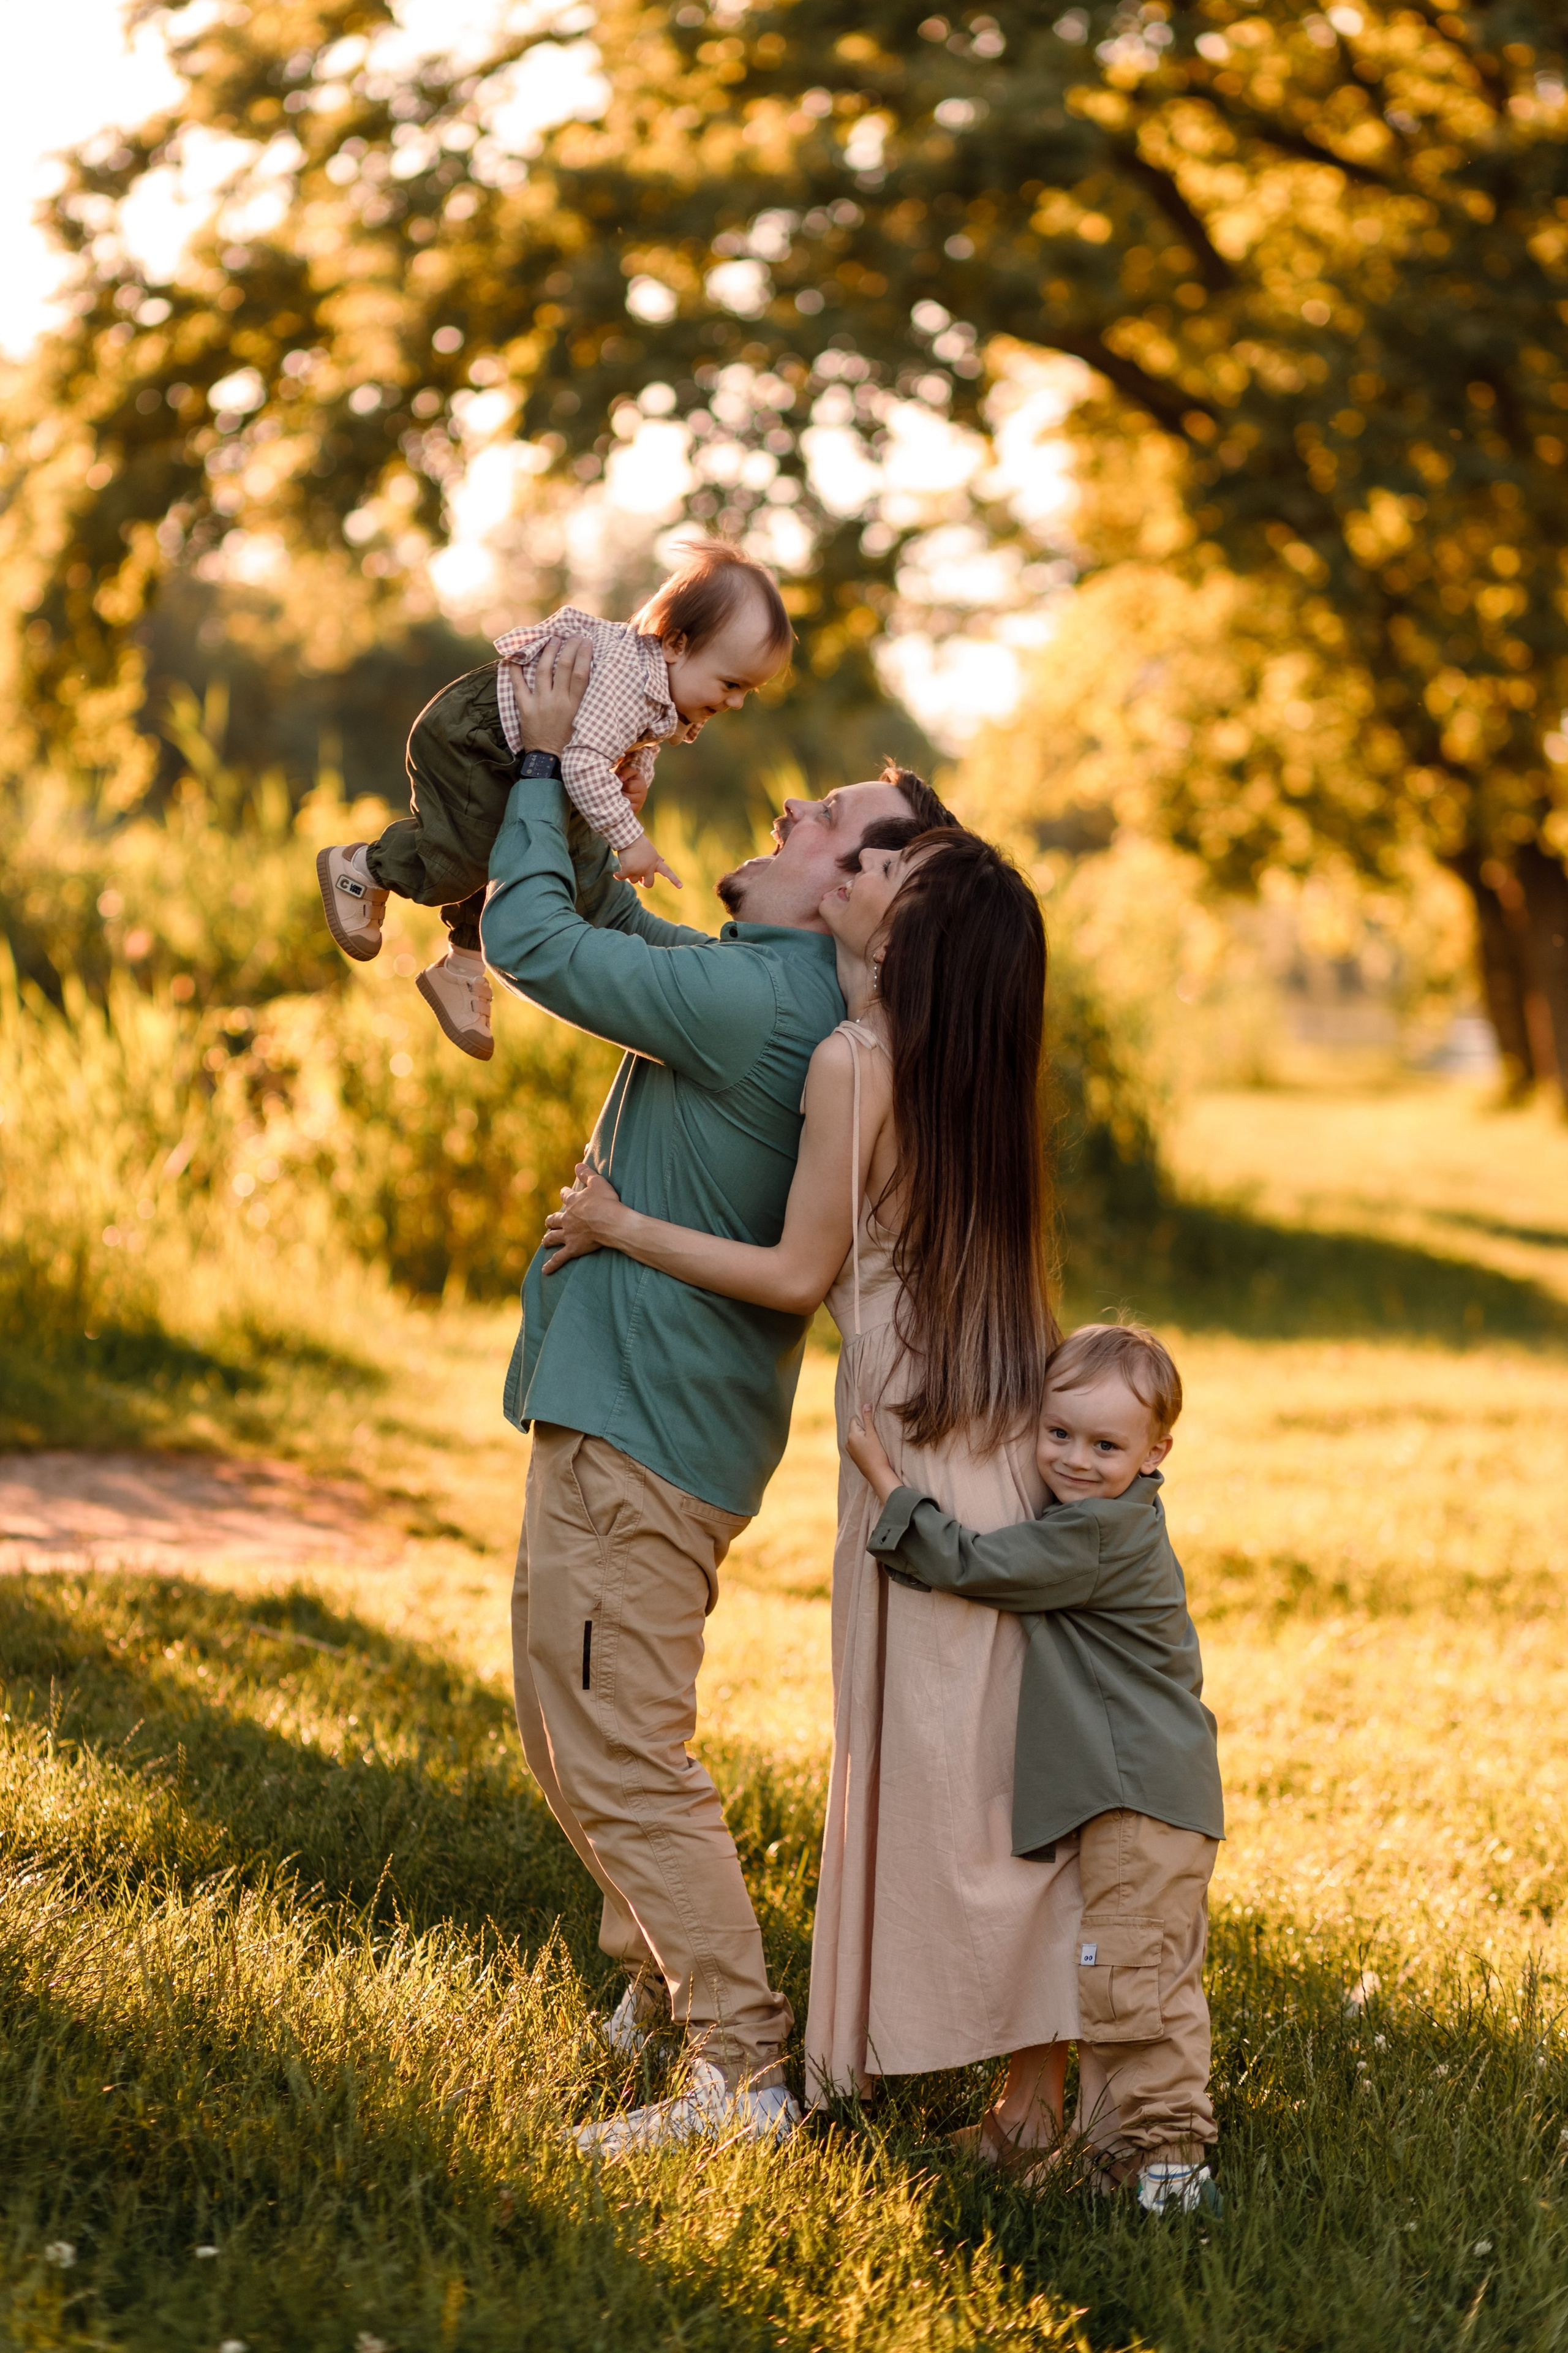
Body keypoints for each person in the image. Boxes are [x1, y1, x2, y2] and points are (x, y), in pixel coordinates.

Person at [545, 822, 1088, 2161]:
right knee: (998, 1773)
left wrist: (621, 1227)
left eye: (869, 871)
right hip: (994, 1434)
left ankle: (989, 2101)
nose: (834, 867)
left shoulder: (857, 1062)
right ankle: (1032, 2097)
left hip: (905, 1447)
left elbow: (795, 1276)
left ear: (910, 935)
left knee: (948, 1769)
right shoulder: (968, 1074)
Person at [479, 632, 954, 2156]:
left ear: (855, 887)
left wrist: (546, 768)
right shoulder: (753, 978)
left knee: (619, 1740)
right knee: (570, 1717)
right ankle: (651, 1979)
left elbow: (542, 948)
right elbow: (610, 924)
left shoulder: (766, 1006)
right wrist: (598, 787)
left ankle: (737, 2069)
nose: (783, 819)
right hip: (624, 1412)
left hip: (644, 1433)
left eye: (817, 820)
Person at [846, 1321, 1225, 2215]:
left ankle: (1167, 2166)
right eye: (1059, 1435)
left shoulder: (1097, 1533)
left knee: (1135, 1980)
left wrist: (881, 1472)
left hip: (1140, 1797)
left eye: (1106, 1444)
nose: (1077, 1460)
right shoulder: (1109, 1518)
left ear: (1155, 1451)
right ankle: (1114, 2155)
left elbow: (974, 1565)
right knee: (1135, 1971)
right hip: (1149, 1792)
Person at [315, 540, 792, 1059]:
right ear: (675, 644)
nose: (737, 701)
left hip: (523, 748)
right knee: (465, 857)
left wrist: (637, 771)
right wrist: (630, 841)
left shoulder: (664, 689)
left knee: (522, 854)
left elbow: (641, 736)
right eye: (731, 683)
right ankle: (364, 868)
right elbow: (584, 761)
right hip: (477, 737)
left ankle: (462, 967)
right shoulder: (626, 680)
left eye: (749, 691)